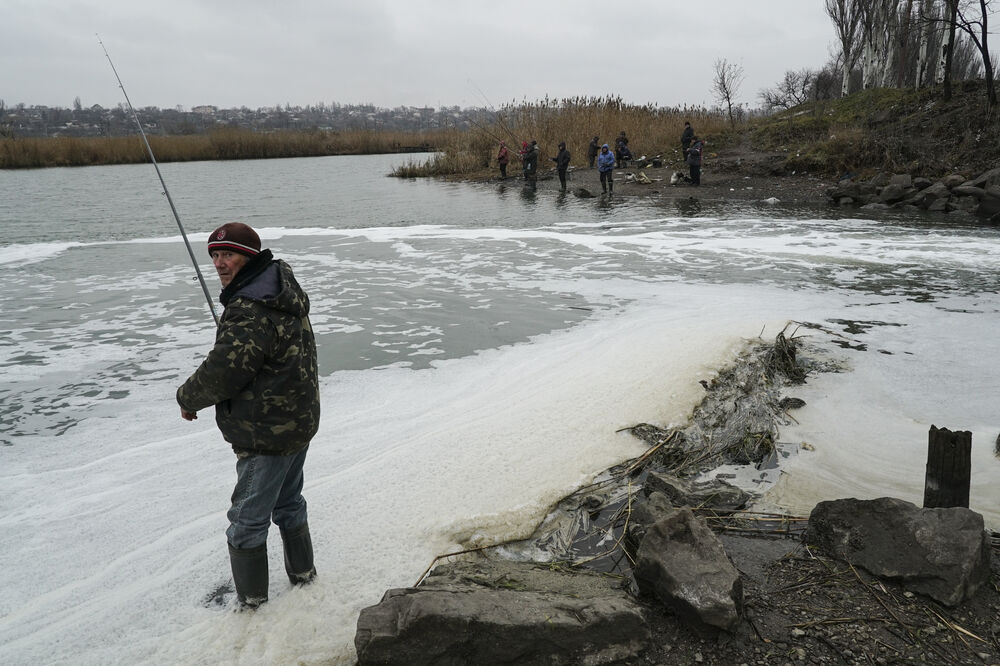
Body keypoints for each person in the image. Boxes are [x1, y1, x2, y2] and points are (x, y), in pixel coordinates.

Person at [177, 222, 320, 609]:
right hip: (298, 422)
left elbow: (224, 370)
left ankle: (252, 606)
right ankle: (305, 580)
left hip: (267, 434)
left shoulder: (250, 308)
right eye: (215, 255)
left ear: (251, 257)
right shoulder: (279, 290)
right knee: (289, 503)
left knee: (246, 522)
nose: (220, 263)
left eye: (229, 255)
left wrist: (187, 397)